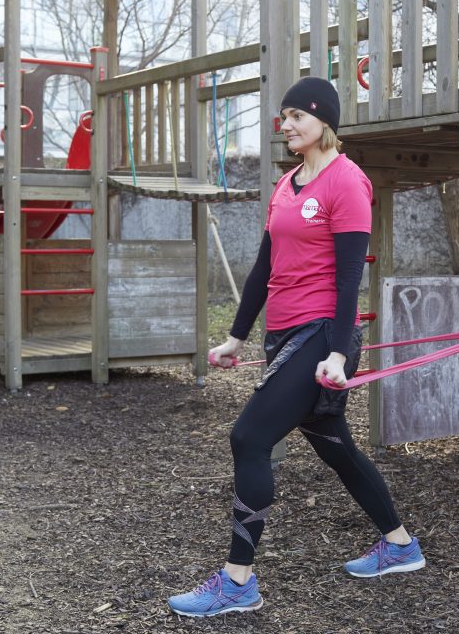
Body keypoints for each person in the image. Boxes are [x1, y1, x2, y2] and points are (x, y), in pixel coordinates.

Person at [168, 76, 424, 618]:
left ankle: (238, 581)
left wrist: (336, 351)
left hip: (321, 337)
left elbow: (351, 275)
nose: (284, 126)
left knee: (249, 437)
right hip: (285, 335)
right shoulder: (288, 185)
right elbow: (263, 268)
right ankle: (400, 545)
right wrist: (237, 336)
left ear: (323, 121)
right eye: (282, 117)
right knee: (334, 446)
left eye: (295, 117)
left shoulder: (347, 183)